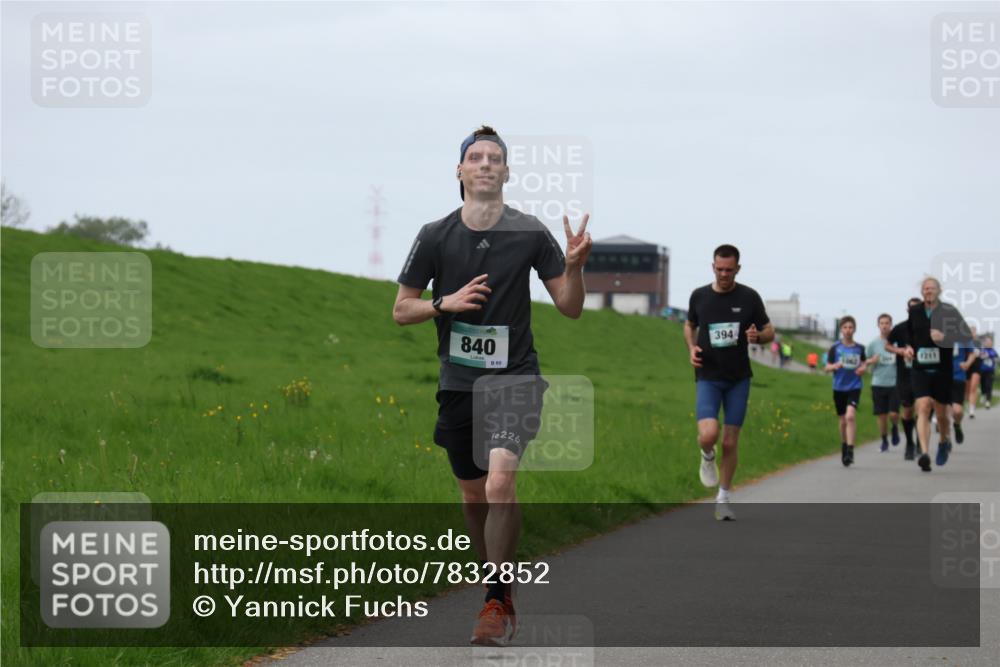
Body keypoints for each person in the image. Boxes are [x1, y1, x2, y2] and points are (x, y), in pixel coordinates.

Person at [392, 125, 592, 646]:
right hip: (459, 381)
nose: (485, 164)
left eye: (494, 158)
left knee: (501, 481)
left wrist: (574, 268)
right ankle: (496, 585)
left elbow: (570, 307)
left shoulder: (528, 232)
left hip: (515, 376)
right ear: (459, 171)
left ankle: (496, 601)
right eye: (475, 157)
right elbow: (400, 309)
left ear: (506, 172)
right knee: (472, 492)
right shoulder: (435, 235)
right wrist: (445, 303)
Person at [685, 244, 774, 521]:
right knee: (709, 435)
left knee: (730, 441)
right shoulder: (699, 296)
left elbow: (769, 330)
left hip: (738, 379)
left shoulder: (749, 297)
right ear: (713, 267)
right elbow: (690, 325)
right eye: (719, 269)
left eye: (729, 270)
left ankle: (722, 497)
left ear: (737, 269)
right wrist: (691, 348)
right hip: (708, 377)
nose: (724, 274)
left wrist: (758, 337)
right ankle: (706, 455)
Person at [902, 277, 972, 472]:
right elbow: (908, 333)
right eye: (925, 288)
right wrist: (908, 347)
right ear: (922, 291)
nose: (928, 291)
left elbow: (966, 336)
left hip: (942, 370)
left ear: (939, 290)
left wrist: (945, 337)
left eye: (932, 288)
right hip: (920, 368)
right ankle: (924, 453)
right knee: (923, 406)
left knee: (941, 415)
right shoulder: (915, 312)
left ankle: (943, 441)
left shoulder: (949, 311)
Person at [825, 316, 867, 466]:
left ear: (854, 329)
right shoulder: (835, 348)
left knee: (850, 416)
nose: (848, 330)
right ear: (841, 330)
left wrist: (863, 369)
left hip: (854, 386)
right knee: (842, 421)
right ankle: (844, 445)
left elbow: (864, 364)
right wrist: (835, 366)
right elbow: (826, 367)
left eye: (851, 327)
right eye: (845, 327)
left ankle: (850, 449)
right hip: (838, 387)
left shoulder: (860, 348)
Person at [885, 297, 923, 460]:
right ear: (908, 310)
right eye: (912, 309)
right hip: (905, 375)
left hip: (923, 374)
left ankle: (921, 441)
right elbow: (887, 345)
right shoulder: (900, 328)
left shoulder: (928, 328)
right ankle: (909, 442)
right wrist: (900, 351)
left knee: (922, 409)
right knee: (907, 411)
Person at [866, 313, 901, 452]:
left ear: (891, 325)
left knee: (893, 414)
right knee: (881, 415)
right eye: (882, 323)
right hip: (878, 383)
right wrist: (871, 361)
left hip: (895, 383)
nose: (884, 326)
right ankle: (884, 439)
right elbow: (864, 361)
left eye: (887, 323)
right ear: (878, 325)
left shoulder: (897, 342)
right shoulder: (873, 344)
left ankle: (895, 427)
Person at [951, 340, 977, 444]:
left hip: (958, 376)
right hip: (942, 377)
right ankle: (945, 440)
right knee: (942, 413)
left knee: (958, 411)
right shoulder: (938, 333)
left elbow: (972, 353)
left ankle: (957, 425)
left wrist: (967, 363)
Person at [965, 326, 983, 419]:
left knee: (973, 387)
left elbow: (980, 354)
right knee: (967, 389)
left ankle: (972, 410)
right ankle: (968, 403)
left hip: (976, 366)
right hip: (967, 367)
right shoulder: (965, 342)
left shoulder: (978, 342)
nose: (972, 333)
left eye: (974, 331)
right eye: (971, 331)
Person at [979, 335, 996, 409]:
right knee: (983, 385)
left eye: (990, 342)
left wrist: (989, 355)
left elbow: (996, 358)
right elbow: (981, 356)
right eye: (987, 342)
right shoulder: (982, 350)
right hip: (982, 371)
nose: (988, 343)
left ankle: (988, 402)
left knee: (989, 385)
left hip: (990, 371)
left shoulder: (993, 351)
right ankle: (983, 394)